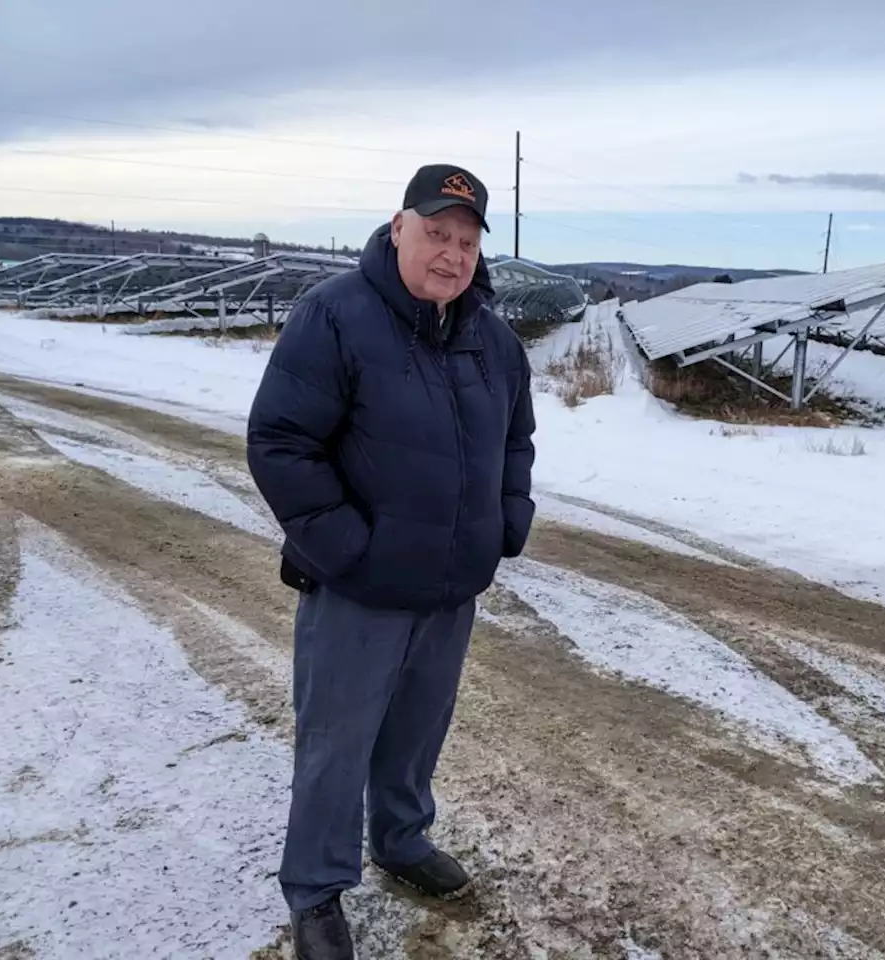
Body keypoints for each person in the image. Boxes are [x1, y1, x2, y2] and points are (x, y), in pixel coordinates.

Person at [246, 163, 536, 960]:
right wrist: (346, 549)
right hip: (358, 590)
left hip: (450, 588)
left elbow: (517, 438)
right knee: (337, 742)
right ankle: (315, 891)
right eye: (436, 233)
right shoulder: (336, 317)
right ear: (399, 226)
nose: (451, 254)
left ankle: (402, 841)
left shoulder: (495, 340)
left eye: (467, 242)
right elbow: (280, 441)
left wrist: (509, 521)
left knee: (415, 732)